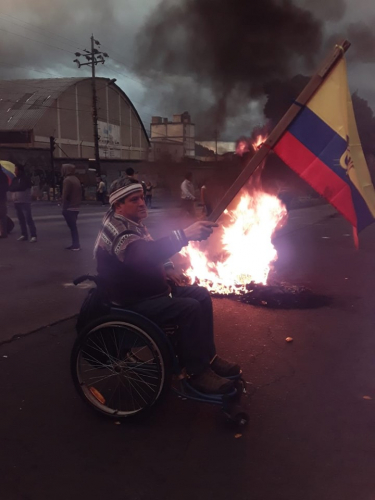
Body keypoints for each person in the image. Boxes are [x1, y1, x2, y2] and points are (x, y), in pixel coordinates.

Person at [94, 176, 241, 395]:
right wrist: (184, 235)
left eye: (142, 197)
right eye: (134, 200)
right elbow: (141, 256)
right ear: (118, 205)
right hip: (132, 301)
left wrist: (169, 267)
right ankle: (198, 373)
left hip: (150, 291)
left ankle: (208, 357)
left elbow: (152, 249)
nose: (142, 203)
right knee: (189, 308)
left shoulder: (132, 223)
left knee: (200, 295)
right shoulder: (117, 228)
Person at [9, 164, 37, 242]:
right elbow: (11, 187)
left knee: (28, 218)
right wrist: (15, 187)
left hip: (25, 201)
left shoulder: (26, 179)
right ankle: (24, 234)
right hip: (16, 201)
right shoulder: (14, 179)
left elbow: (22, 187)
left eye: (16, 170)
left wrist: (15, 187)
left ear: (20, 171)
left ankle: (33, 235)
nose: (15, 171)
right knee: (21, 219)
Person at [61, 164, 82, 251]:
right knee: (73, 227)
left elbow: (65, 194)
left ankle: (76, 244)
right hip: (76, 206)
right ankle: (75, 244)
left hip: (69, 206)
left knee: (72, 227)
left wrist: (63, 204)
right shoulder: (76, 179)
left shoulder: (67, 180)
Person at [0, 168, 9, 239]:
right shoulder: (4, 175)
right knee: (3, 216)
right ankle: (3, 232)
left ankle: (3, 232)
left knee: (2, 216)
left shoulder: (2, 176)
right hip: (3, 197)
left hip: (1, 198)